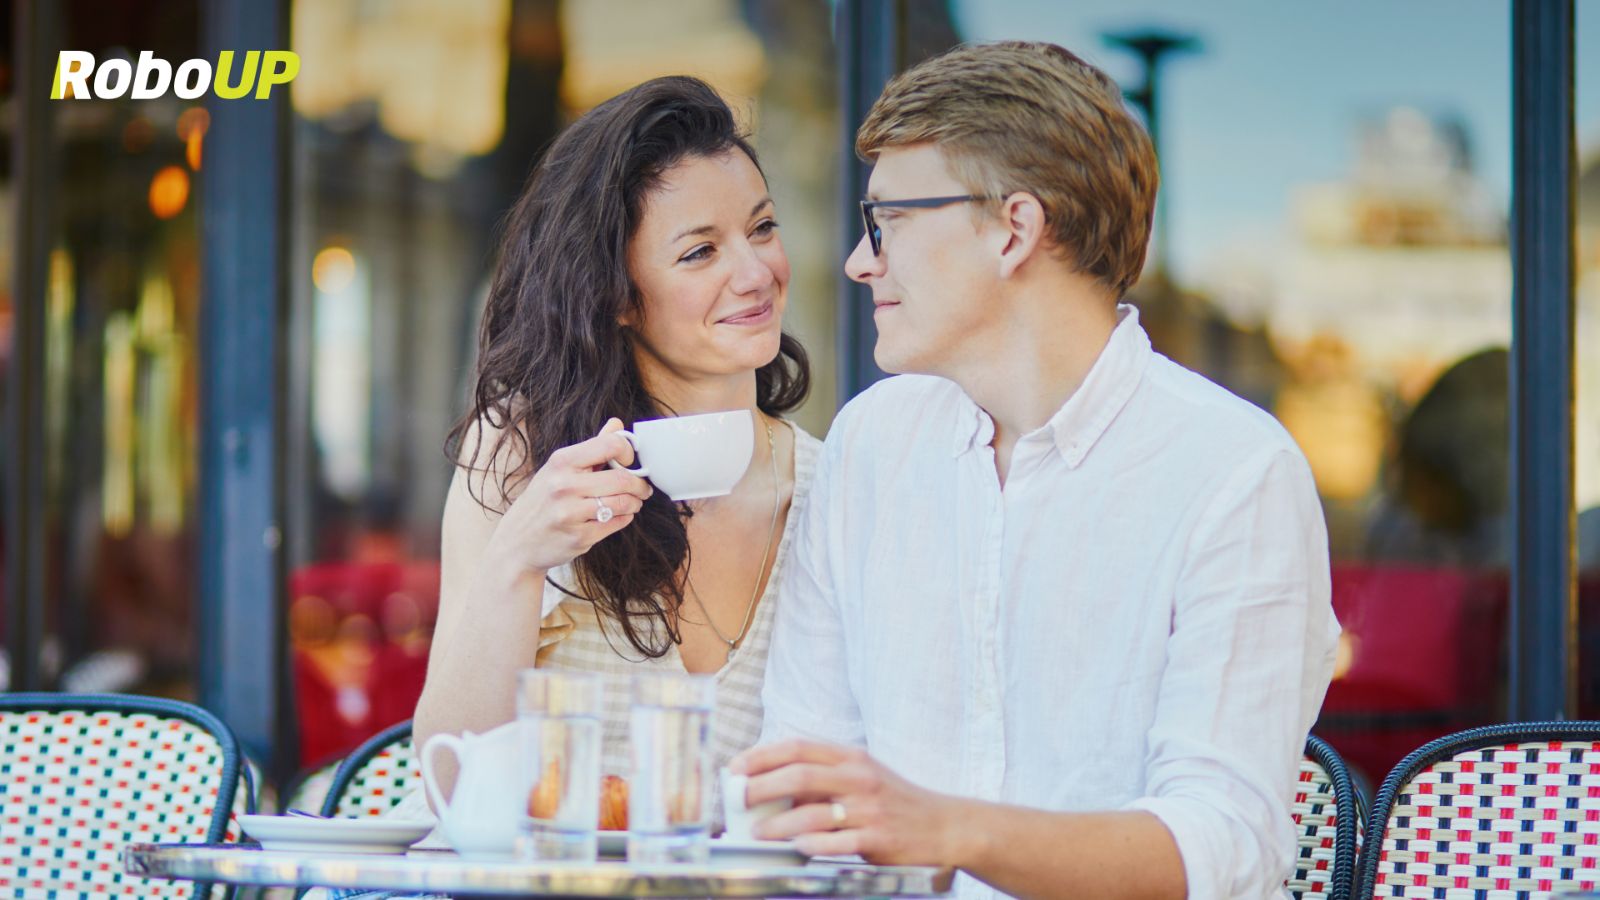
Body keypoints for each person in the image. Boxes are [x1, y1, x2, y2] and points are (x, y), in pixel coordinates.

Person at [733, 42, 1340, 899]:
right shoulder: (871, 442)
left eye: (888, 221)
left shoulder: (1236, 471)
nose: (860, 262)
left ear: (1013, 230)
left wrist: (951, 831)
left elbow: (1221, 844)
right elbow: (800, 784)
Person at [411, 75, 822, 811]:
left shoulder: (829, 486)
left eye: (762, 228)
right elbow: (451, 784)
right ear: (619, 295)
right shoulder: (521, 452)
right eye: (701, 252)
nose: (757, 272)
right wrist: (518, 559)